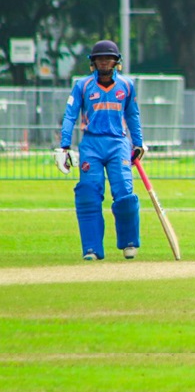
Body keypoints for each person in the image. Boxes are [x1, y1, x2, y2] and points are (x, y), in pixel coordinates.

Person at [57, 39, 146, 261]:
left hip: (118, 143)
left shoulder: (126, 85)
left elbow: (132, 115)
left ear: (117, 62)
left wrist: (138, 143)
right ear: (93, 62)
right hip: (91, 144)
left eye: (109, 58)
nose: (104, 62)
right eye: (100, 58)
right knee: (88, 194)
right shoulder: (82, 85)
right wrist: (64, 146)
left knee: (125, 194)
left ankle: (128, 243)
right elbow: (70, 115)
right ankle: (92, 249)